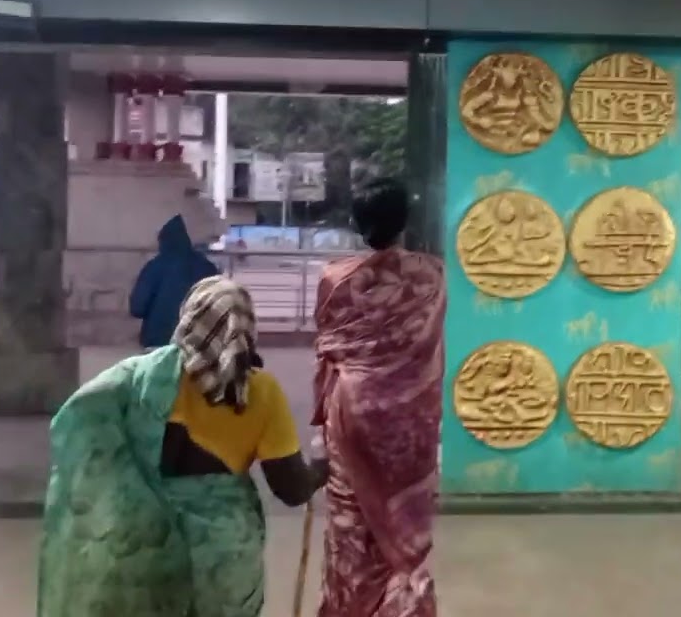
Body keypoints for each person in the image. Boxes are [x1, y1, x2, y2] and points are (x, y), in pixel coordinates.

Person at [39, 276, 327, 617]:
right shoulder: (259, 391)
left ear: (189, 318)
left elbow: (77, 418)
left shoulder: (142, 375)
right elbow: (292, 489)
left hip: (147, 551)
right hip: (221, 562)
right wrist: (324, 465)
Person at [312, 178, 446, 617]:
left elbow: (329, 351)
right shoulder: (433, 275)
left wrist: (318, 428)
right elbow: (428, 344)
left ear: (356, 222)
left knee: (353, 527)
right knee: (404, 523)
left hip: (353, 415)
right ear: (405, 220)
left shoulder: (336, 278)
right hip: (412, 417)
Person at [130, 214, 221, 349]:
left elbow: (137, 308)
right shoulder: (208, 267)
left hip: (158, 342)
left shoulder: (155, 266)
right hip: (197, 343)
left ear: (163, 241)